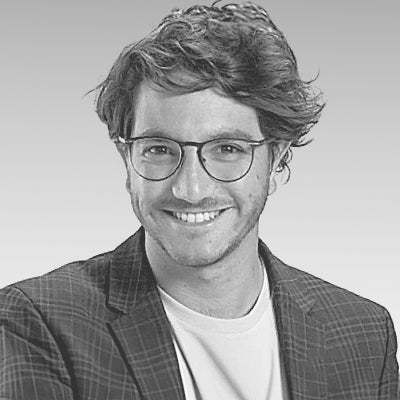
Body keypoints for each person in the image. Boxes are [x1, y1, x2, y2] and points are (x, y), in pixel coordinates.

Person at [1, 2, 398, 399]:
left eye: (227, 149)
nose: (190, 189)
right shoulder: (40, 323)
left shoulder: (364, 334)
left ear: (276, 160)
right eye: (159, 149)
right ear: (127, 159)